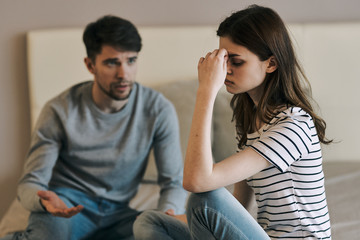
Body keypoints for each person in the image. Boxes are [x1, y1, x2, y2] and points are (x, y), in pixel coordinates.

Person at [133, 4, 332, 240]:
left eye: (236, 62)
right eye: (223, 60)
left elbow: (197, 182)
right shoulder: (252, 120)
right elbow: (239, 204)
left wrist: (206, 90)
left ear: (271, 63)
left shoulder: (292, 126)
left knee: (204, 196)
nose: (225, 70)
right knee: (151, 221)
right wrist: (184, 220)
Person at [1, 15, 187, 240]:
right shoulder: (59, 110)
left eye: (131, 61)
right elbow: (30, 183)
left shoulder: (158, 109)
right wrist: (43, 200)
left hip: (119, 214)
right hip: (67, 208)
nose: (123, 74)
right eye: (112, 62)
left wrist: (164, 215)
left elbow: (173, 183)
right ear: (90, 65)